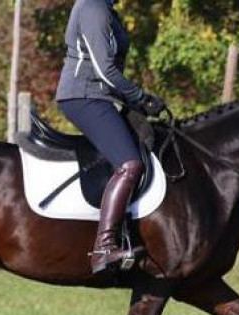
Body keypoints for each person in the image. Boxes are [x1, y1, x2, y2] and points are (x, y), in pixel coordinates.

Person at [55, 0, 165, 274]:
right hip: (83, 95)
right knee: (130, 164)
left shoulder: (106, 7)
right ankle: (104, 248)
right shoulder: (94, 7)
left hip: (99, 95)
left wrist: (139, 103)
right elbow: (105, 70)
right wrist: (141, 97)